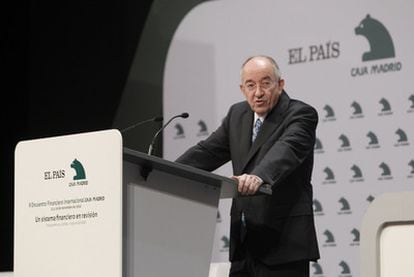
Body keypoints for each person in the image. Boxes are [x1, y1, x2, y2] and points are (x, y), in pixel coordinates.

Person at [176, 55, 320, 277]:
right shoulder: (237, 115)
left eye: (265, 83)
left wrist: (259, 177)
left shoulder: (301, 114)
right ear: (242, 89)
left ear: (280, 85)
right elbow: (207, 152)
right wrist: (168, 171)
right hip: (244, 246)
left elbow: (286, 150)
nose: (258, 92)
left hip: (284, 246)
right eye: (251, 85)